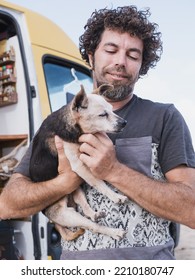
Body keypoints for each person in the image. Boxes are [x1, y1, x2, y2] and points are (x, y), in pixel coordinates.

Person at [0, 6, 195, 260]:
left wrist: (114, 170)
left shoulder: (164, 118)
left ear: (141, 65)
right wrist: (66, 182)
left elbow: (191, 209)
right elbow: (8, 203)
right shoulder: (58, 122)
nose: (120, 62)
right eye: (111, 50)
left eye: (133, 55)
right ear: (91, 56)